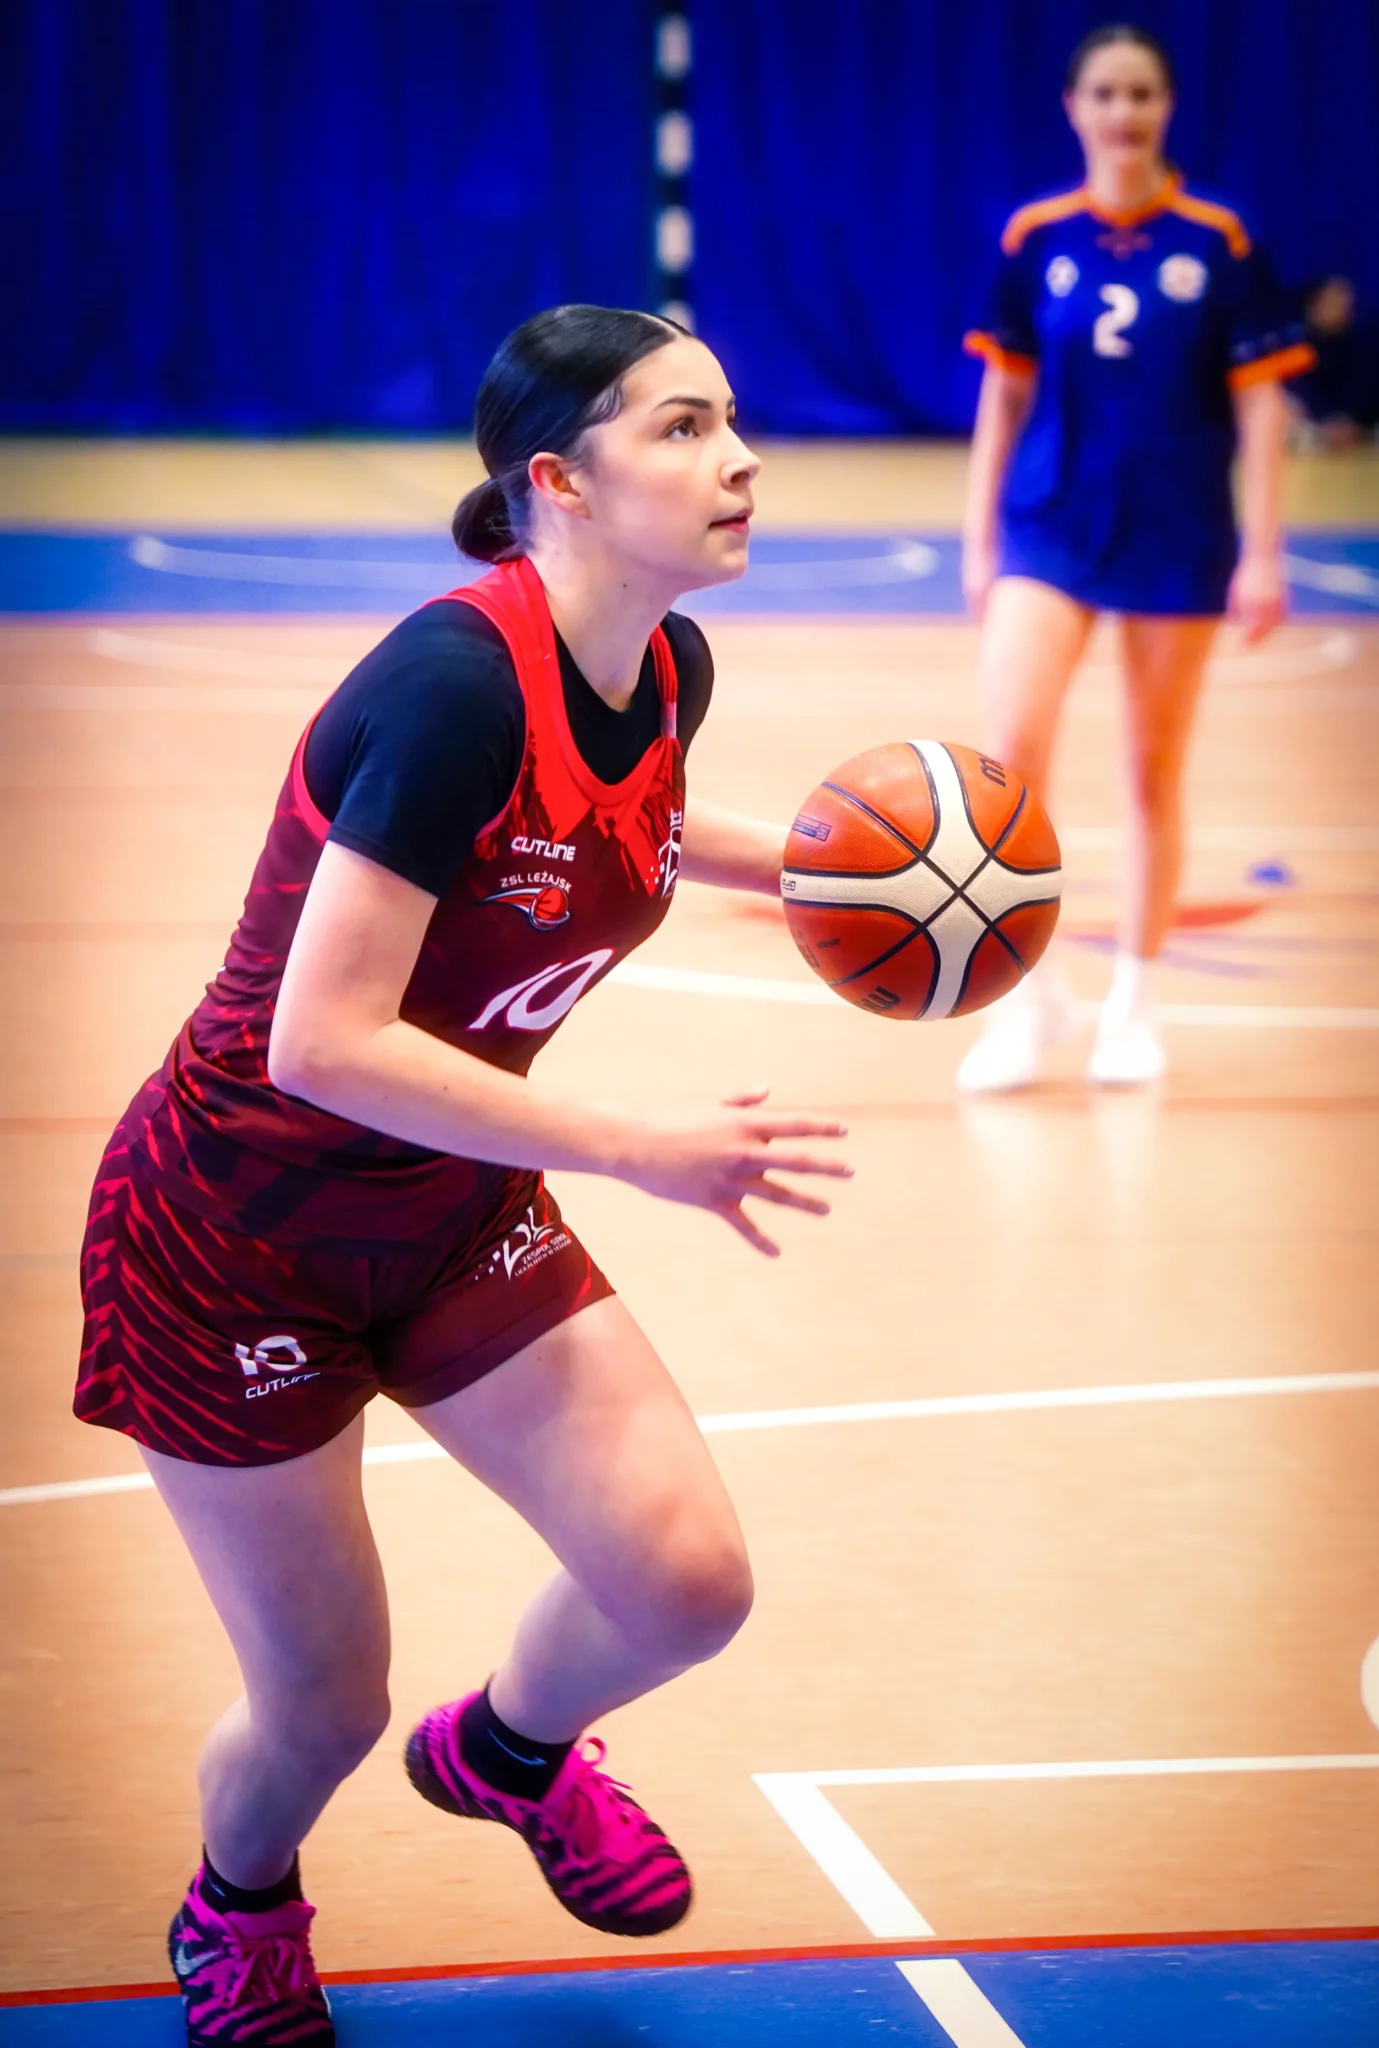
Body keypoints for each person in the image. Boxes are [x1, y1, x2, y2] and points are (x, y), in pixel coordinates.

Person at [74, 306, 850, 2047]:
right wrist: (640, 1144)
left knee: (682, 1580)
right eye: (680, 428)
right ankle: (237, 1907)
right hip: (234, 1237)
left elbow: (637, 825)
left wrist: (853, 863)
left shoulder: (663, 668)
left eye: (731, 419)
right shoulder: (450, 688)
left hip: (446, 1205)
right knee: (320, 1702)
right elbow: (319, 1042)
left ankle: (505, 1750)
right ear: (556, 481)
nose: (735, 459)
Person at [958, 22, 1314, 1090]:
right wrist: (977, 537)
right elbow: (1003, 391)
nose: (1123, 112)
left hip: (1177, 531)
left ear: (1166, 107)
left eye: (1141, 93)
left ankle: (1132, 1003)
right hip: (1049, 524)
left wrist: (1262, 550)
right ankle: (1030, 999)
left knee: (1149, 772)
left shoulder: (1217, 241)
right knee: (1007, 762)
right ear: (1072, 107)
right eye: (1105, 93)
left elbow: (1260, 407)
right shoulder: (1036, 236)